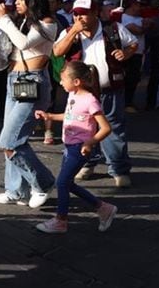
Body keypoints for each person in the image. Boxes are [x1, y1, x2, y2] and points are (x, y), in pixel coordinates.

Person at [52, 0, 137, 188]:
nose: (79, 18)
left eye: (83, 14)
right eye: (76, 14)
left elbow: (133, 44)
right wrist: (73, 31)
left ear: (94, 13)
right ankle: (88, 164)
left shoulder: (113, 29)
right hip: (82, 94)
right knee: (83, 129)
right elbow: (57, 52)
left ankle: (118, 169)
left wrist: (127, 54)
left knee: (113, 128)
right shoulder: (69, 31)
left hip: (109, 89)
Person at [0, 0, 57, 208]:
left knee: (10, 140)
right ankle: (16, 190)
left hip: (33, 82)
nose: (16, 3)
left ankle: (43, 182)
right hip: (13, 81)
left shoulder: (48, 23)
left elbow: (24, 43)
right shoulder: (23, 22)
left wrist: (5, 20)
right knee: (13, 138)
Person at [32, 61, 118, 234]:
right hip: (70, 146)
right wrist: (49, 116)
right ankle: (103, 208)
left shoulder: (90, 100)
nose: (61, 83)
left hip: (80, 148)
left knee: (62, 182)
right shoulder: (73, 95)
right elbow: (70, 116)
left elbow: (106, 128)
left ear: (77, 81)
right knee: (67, 183)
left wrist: (89, 142)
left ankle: (60, 221)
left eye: (63, 79)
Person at [120, 0, 147, 109]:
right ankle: (124, 102)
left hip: (139, 53)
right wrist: (145, 25)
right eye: (137, 5)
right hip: (127, 52)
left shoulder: (141, 19)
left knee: (134, 78)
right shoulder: (123, 17)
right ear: (131, 5)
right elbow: (137, 30)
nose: (139, 7)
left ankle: (129, 101)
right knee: (126, 78)